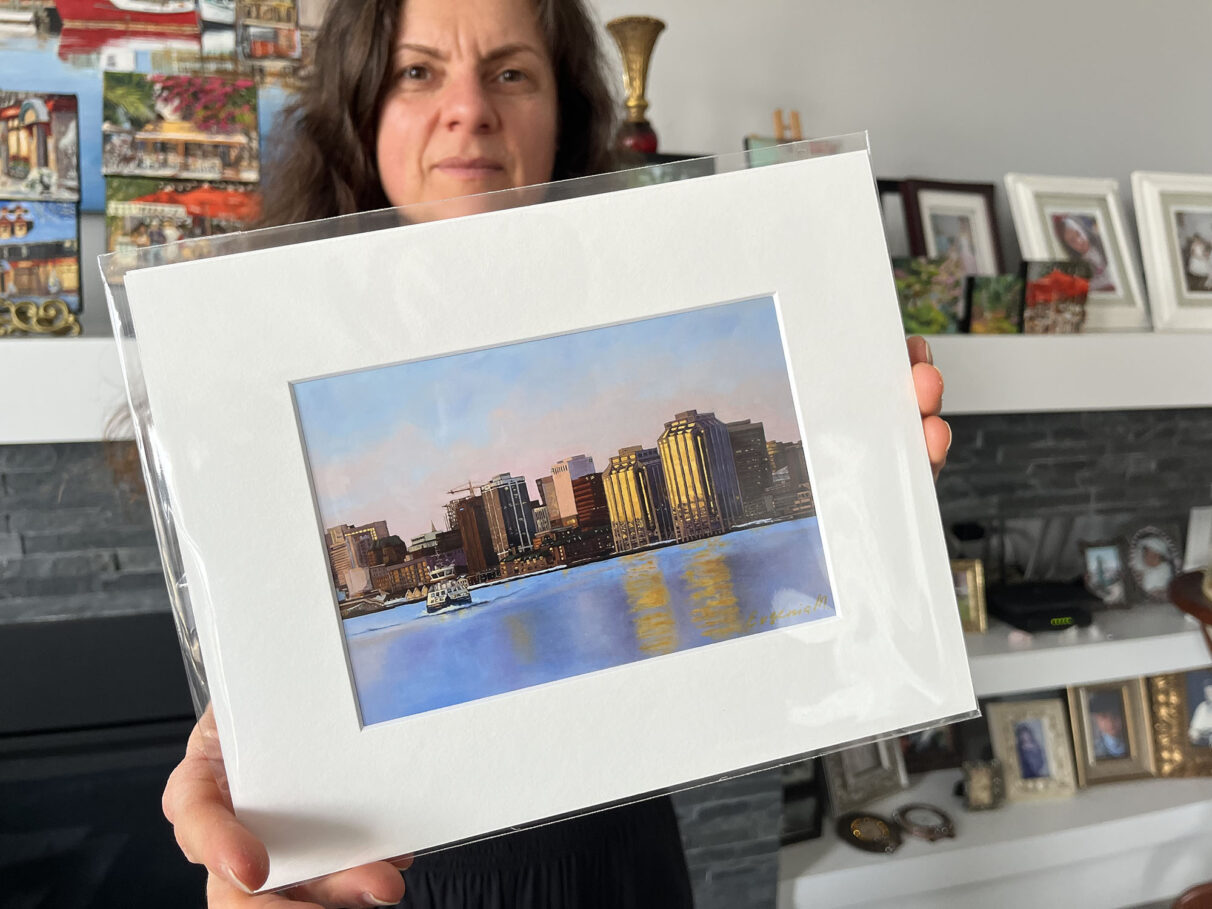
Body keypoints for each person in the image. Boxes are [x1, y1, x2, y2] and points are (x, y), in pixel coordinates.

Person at [159, 0, 952, 906]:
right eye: (417, 72)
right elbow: (278, 684)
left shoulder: (673, 293)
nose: (469, 108)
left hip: (628, 868)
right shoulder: (248, 398)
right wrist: (254, 758)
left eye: (510, 72)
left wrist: (868, 538)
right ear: (359, 114)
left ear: (563, 117)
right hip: (383, 882)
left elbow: (773, 663)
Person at [1053, 214, 1115, 293]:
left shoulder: (1102, 242)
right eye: (1072, 241)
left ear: (1082, 229)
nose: (1080, 241)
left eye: (1078, 233)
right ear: (1069, 247)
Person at [1088, 691, 1127, 760]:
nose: (1110, 722)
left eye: (1115, 714)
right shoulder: (1093, 752)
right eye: (1103, 716)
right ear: (1097, 719)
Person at [1188, 676, 1212, 747]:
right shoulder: (1202, 707)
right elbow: (1193, 730)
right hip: (1202, 743)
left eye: (1210, 692)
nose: (1208, 695)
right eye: (1206, 693)